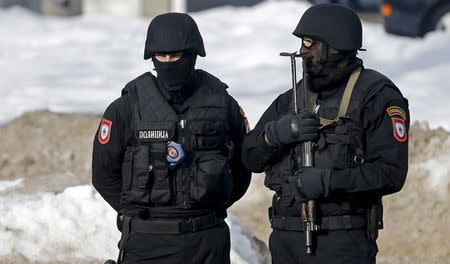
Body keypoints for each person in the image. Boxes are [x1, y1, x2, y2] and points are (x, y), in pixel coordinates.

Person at [242, 4, 409, 264]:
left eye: (310, 43)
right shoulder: (293, 98)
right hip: (285, 240)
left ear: (335, 45)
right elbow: (250, 157)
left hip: (342, 241)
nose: (302, 51)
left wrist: (329, 182)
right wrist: (273, 135)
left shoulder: (377, 96)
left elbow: (390, 173)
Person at [92, 12, 251, 264]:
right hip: (146, 242)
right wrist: (136, 214)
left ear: (193, 55)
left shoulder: (222, 104)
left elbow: (243, 167)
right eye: (161, 56)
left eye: (175, 56)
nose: (168, 62)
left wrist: (207, 209)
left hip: (206, 240)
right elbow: (103, 173)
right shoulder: (126, 108)